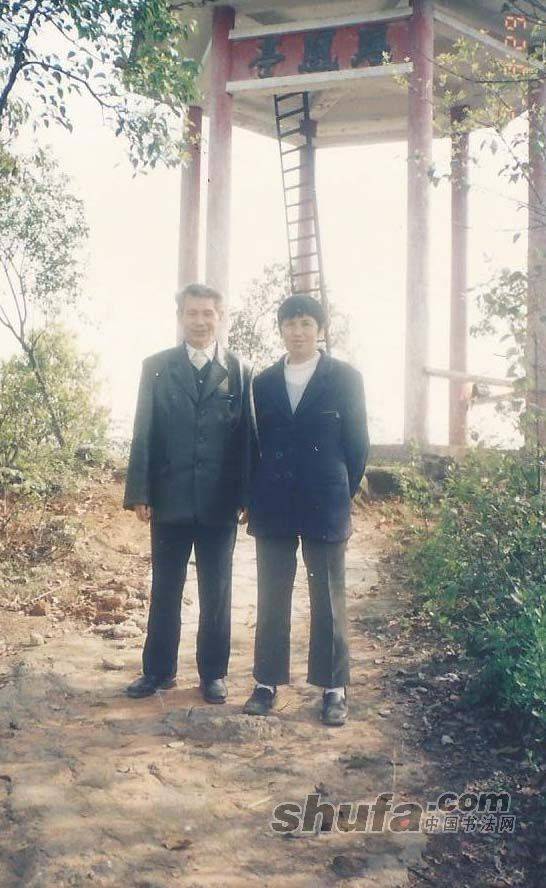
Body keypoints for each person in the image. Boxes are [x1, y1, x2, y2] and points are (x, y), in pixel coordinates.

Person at [243, 294, 370, 726]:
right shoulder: (262, 382)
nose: (297, 332)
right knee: (272, 594)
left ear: (320, 329)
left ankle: (334, 689)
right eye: (290, 324)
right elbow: (254, 444)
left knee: (328, 596)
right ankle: (266, 683)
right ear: (280, 329)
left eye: (306, 323)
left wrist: (339, 491)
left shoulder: (346, 378)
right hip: (274, 502)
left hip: (324, 501)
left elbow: (357, 446)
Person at [123, 283, 251, 703]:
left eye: (208, 313)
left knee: (217, 592)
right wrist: (140, 492)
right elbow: (144, 430)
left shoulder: (239, 370)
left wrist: (247, 495)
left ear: (220, 317)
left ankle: (213, 674)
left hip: (219, 502)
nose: (200, 321)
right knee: (165, 588)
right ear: (180, 317)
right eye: (192, 313)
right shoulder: (157, 367)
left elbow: (247, 439)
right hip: (169, 498)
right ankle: (158, 671)